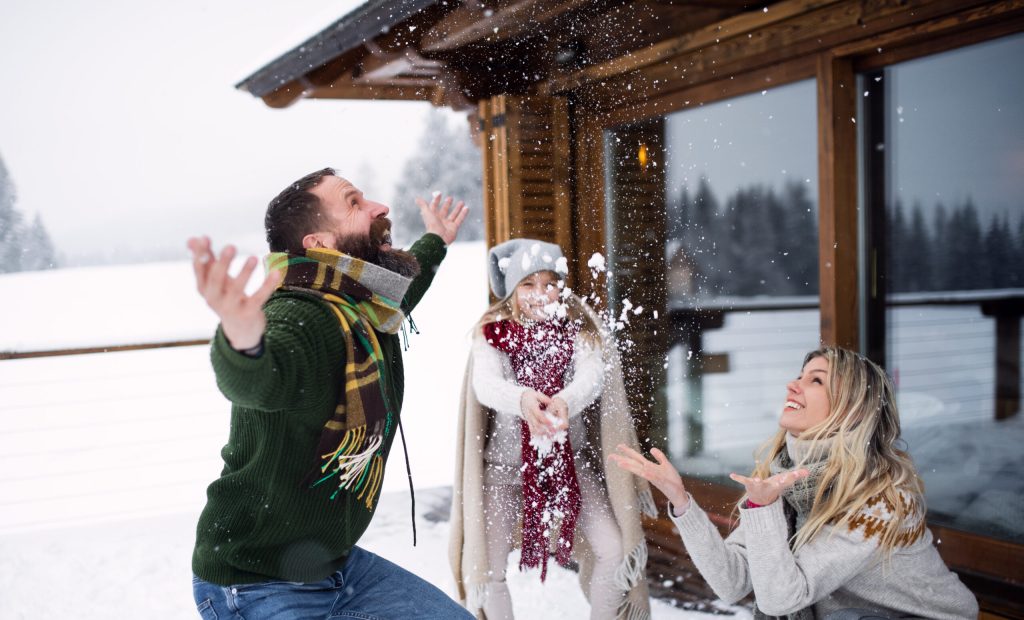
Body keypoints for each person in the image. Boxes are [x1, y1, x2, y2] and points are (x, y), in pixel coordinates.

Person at [187, 167, 473, 620]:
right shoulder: (302, 314)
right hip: (255, 579)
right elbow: (261, 379)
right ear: (319, 245)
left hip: (338, 567)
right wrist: (242, 338)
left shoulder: (363, 301)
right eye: (355, 203)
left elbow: (404, 288)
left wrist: (435, 239)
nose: (380, 207)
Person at [611, 346, 979, 620]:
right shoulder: (784, 475)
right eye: (800, 375)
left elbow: (782, 597)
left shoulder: (881, 497)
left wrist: (763, 508)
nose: (793, 384)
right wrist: (682, 502)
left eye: (815, 379)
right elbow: (733, 582)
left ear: (850, 408)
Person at [449, 238, 657, 620]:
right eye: (528, 284)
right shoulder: (492, 334)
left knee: (613, 548)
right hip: (504, 471)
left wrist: (564, 400)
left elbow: (592, 377)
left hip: (570, 466)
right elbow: (487, 385)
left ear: (561, 287)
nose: (540, 293)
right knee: (490, 569)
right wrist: (524, 399)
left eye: (549, 283)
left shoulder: (579, 331)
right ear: (512, 290)